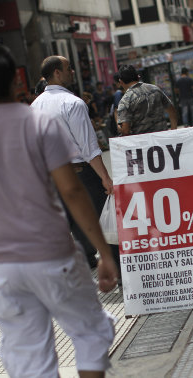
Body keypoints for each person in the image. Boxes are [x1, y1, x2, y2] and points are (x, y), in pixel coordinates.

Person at [0, 45, 117, 378]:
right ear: (16, 81)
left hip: (2, 264)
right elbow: (71, 190)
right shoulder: (40, 124)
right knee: (90, 332)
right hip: (52, 255)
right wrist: (103, 250)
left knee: (28, 357)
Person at [31, 55, 115, 269]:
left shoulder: (34, 106)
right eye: (69, 68)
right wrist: (105, 177)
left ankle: (83, 260)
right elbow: (88, 146)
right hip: (79, 173)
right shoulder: (73, 103)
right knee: (107, 216)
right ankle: (119, 270)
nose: (73, 72)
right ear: (57, 73)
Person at [116, 64, 178, 135]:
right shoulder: (155, 89)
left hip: (143, 144)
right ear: (138, 77)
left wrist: (120, 128)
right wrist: (173, 132)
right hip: (163, 140)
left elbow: (125, 131)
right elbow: (172, 112)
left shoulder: (125, 101)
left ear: (120, 82)